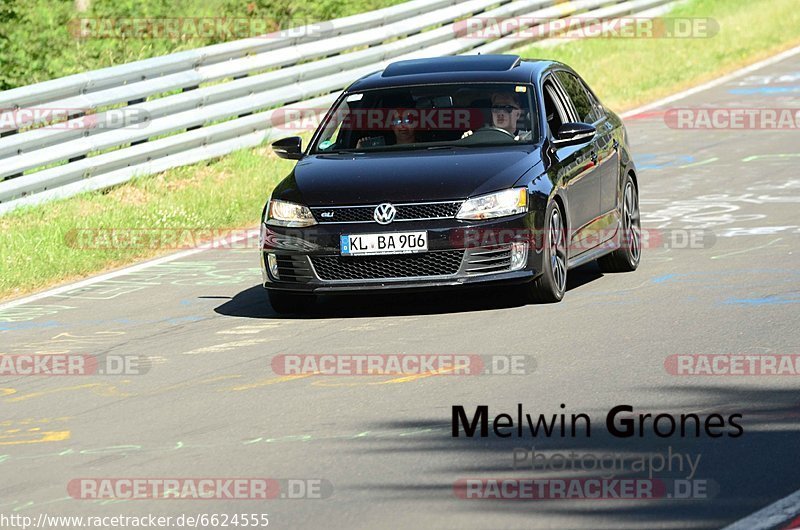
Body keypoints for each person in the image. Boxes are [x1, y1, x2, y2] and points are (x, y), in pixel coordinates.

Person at [462, 92, 532, 141]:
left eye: (507, 108)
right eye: (496, 108)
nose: (501, 112)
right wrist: (468, 141)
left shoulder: (528, 139)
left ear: (518, 114)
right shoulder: (479, 138)